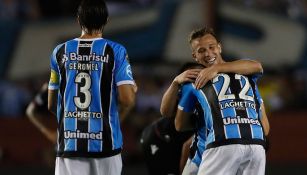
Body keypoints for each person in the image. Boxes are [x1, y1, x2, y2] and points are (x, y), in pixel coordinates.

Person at [160, 29, 269, 174]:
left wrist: (216, 69)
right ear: (195, 56)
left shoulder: (195, 81)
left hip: (221, 145)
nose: (208, 53)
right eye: (202, 50)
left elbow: (172, 118)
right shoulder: (248, 76)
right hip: (257, 145)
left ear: (219, 47)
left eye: (211, 47)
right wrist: (175, 82)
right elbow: (257, 66)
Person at [47, 0, 137, 175]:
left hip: (69, 145)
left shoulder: (60, 51)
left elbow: (51, 104)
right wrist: (132, 90)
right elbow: (127, 100)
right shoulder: (116, 51)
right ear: (107, 20)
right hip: (106, 145)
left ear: (78, 19)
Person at [140, 62, 203, 175]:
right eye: (192, 79)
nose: (198, 83)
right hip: (162, 141)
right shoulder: (158, 132)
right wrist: (175, 83)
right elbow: (166, 112)